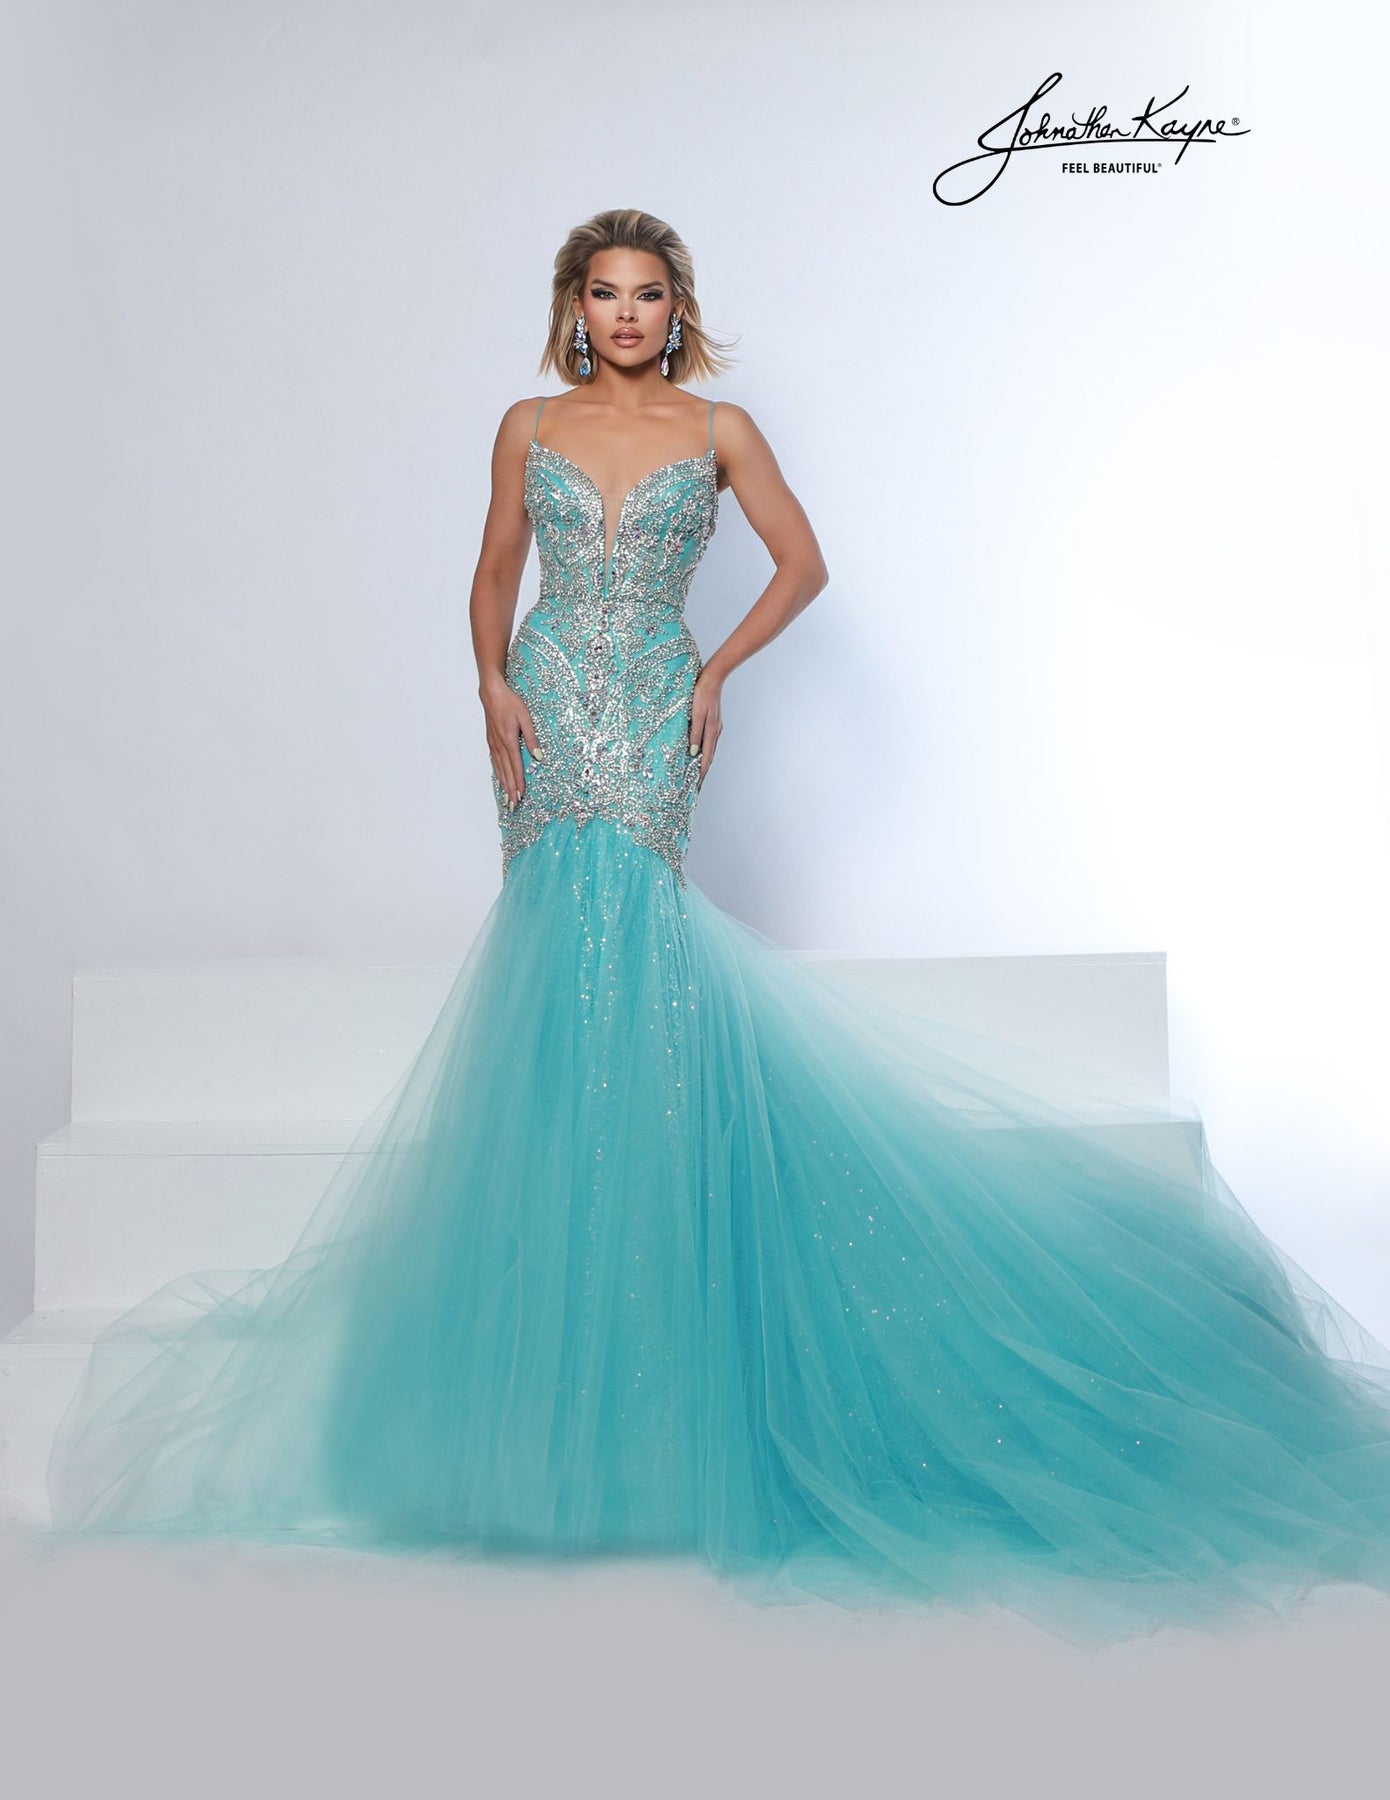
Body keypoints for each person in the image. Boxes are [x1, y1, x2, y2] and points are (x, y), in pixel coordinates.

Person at [42, 208, 1390, 1650]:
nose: (625, 314)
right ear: (572, 308)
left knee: (637, 961)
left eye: (647, 294)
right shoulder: (526, 425)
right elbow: (493, 570)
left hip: (650, 700)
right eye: (602, 293)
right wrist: (490, 685)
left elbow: (803, 565)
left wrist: (717, 671)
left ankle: (653, 1367)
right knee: (553, 969)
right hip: (546, 704)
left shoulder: (718, 429)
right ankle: (551, 1382)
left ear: (676, 309)